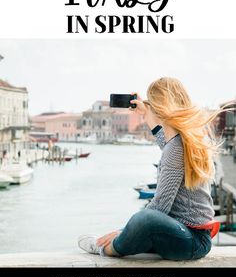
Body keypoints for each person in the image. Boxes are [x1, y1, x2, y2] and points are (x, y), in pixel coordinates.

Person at [78, 77, 223, 260]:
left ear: (160, 107)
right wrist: (145, 113)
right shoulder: (181, 141)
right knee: (146, 221)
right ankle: (124, 241)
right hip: (187, 236)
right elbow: (166, 144)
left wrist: (121, 232)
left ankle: (106, 249)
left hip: (191, 239)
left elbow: (160, 207)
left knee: (145, 219)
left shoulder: (176, 147)